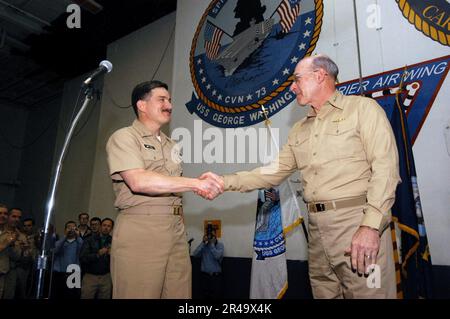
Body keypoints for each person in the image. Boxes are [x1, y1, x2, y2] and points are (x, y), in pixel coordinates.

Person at [201, 54, 400, 299]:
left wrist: (370, 226)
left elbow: (386, 170)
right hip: (317, 235)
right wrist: (224, 182)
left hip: (357, 226)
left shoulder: (362, 109)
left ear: (320, 76)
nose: (292, 87)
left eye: (297, 79)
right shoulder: (299, 130)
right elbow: (272, 172)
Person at [105, 80, 224, 299]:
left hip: (177, 231)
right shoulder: (124, 138)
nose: (169, 105)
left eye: (169, 100)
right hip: (142, 229)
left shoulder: (172, 146)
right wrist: (195, 183)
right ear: (142, 105)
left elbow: (173, 190)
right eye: (162, 100)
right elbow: (138, 181)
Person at [80, 218, 114, 299]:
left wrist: (112, 255)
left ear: (112, 228)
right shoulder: (89, 239)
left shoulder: (114, 241)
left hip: (106, 277)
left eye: (109, 226)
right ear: (100, 226)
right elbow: (83, 258)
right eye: (104, 225)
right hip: (90, 276)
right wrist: (97, 254)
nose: (106, 228)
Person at [51, 221, 83, 299]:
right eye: (69, 227)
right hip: (59, 273)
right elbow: (55, 250)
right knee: (57, 295)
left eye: (73, 227)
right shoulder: (60, 241)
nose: (71, 229)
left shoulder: (78, 242)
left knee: (72, 296)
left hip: (74, 273)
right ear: (65, 230)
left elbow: (81, 248)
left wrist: (78, 236)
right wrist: (65, 236)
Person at [192, 228, 224, 299]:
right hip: (204, 277)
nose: (210, 237)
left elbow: (217, 256)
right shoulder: (204, 246)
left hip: (215, 278)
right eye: (209, 235)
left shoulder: (220, 245)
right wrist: (203, 242)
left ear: (215, 235)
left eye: (212, 235)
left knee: (216, 296)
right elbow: (195, 254)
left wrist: (212, 245)